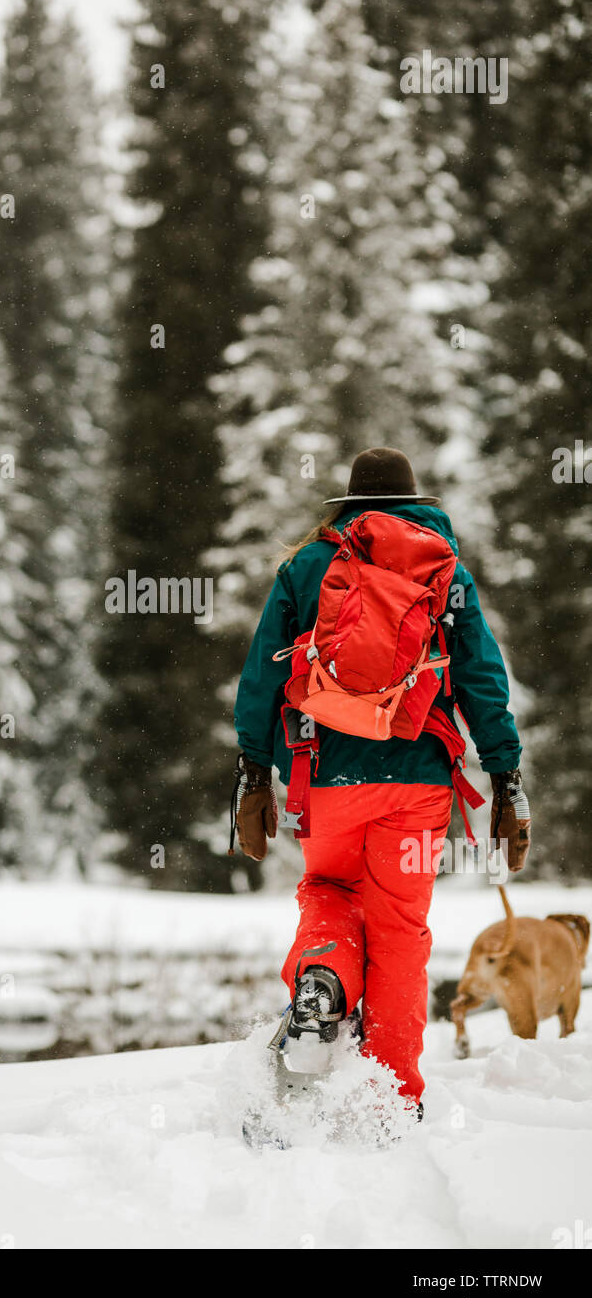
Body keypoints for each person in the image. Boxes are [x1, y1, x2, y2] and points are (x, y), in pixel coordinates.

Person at [232, 447, 531, 1112]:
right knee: (400, 930)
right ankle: (393, 1096)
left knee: (328, 888)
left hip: (326, 776)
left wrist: (252, 769)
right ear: (416, 504)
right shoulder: (446, 571)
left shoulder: (307, 567)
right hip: (420, 782)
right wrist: (507, 778)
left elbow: (261, 676)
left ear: (348, 505)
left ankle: (321, 983)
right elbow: (482, 682)